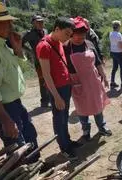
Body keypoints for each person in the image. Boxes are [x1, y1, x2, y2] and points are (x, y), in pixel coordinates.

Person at [0, 1, 39, 162]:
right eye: (6, 22)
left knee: (30, 135)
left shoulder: (3, 45)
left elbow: (21, 68)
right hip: (5, 108)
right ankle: (24, 172)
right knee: (17, 145)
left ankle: (35, 167)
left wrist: (18, 49)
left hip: (15, 103)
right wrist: (5, 119)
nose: (10, 25)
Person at [36, 17, 81, 160]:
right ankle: (64, 148)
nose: (68, 37)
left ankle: (67, 141)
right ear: (56, 29)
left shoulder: (59, 42)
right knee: (59, 118)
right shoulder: (44, 46)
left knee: (65, 116)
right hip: (57, 90)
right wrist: (56, 96)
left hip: (65, 86)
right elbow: (46, 74)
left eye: (70, 34)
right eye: (67, 33)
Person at [63, 16, 112, 141]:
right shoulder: (65, 48)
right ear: (71, 34)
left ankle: (102, 127)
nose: (80, 39)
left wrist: (104, 77)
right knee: (82, 108)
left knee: (97, 105)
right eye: (77, 36)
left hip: (93, 79)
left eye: (83, 36)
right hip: (77, 82)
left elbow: (98, 62)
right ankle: (86, 131)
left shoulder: (89, 44)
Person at [22, 15, 50, 107]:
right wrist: (30, 51)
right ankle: (44, 102)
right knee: (42, 80)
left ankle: (50, 98)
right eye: (38, 22)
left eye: (42, 21)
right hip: (38, 61)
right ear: (33, 23)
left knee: (50, 78)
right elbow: (20, 43)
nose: (41, 23)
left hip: (49, 59)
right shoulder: (30, 33)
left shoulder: (45, 31)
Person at [109, 20, 122, 88]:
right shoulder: (118, 34)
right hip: (119, 53)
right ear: (118, 26)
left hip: (113, 52)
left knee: (115, 67)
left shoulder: (111, 33)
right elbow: (120, 45)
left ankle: (112, 81)